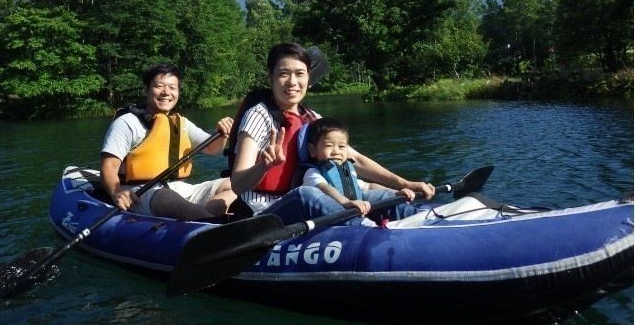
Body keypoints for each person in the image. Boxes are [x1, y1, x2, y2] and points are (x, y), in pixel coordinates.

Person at [229, 42, 435, 224]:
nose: (292, 82)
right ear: (270, 78)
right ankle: (364, 228)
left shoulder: (312, 118)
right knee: (306, 194)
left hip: (317, 203)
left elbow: (355, 159)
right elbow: (238, 184)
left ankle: (425, 221)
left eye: (300, 73)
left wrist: (405, 184)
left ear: (308, 77)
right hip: (266, 213)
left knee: (381, 197)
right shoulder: (258, 116)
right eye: (284, 73)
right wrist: (264, 166)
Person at [99, 63, 236, 220]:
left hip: (176, 187)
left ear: (178, 92)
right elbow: (108, 167)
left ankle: (208, 217)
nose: (166, 92)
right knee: (167, 198)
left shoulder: (180, 123)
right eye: (159, 86)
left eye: (172, 87)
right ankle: (212, 223)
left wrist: (222, 133)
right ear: (146, 90)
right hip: (140, 191)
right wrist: (116, 192)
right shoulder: (127, 122)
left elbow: (213, 149)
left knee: (233, 184)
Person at [301, 117, 420, 222]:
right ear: (312, 150)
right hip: (336, 213)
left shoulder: (345, 169)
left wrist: (395, 193)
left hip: (357, 206)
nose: (336, 151)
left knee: (384, 195)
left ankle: (416, 217)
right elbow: (325, 188)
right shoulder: (312, 172)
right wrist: (346, 203)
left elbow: (367, 187)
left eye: (341, 146)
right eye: (328, 146)